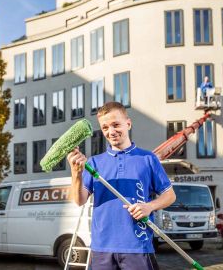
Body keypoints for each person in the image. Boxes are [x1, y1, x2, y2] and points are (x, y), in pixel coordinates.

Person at [68, 102, 176, 270]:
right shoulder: (94, 162)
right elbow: (79, 200)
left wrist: (149, 207)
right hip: (102, 248)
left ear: (128, 123)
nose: (111, 132)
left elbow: (170, 196)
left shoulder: (148, 159)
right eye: (105, 128)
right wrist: (76, 173)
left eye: (116, 124)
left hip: (137, 247)